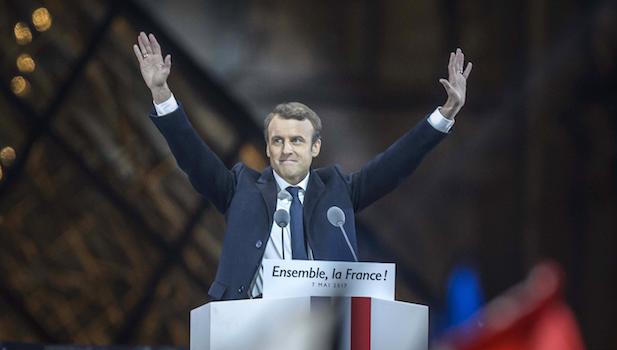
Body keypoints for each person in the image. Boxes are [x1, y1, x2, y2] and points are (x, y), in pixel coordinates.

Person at [133, 32, 472, 301]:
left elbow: (396, 163)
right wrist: (162, 93)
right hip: (250, 325)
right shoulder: (239, 188)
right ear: (267, 148)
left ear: (315, 147)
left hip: (321, 331)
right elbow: (193, 156)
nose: (287, 149)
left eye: (297, 140)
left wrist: (445, 114)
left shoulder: (339, 189)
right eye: (277, 141)